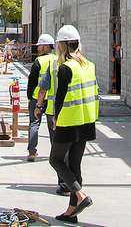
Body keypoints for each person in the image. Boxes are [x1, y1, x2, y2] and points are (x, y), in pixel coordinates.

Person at [48, 25, 98, 223]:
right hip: (86, 121)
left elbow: (60, 99)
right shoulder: (89, 65)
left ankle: (80, 195)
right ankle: (71, 211)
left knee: (56, 160)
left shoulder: (65, 68)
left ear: (61, 46)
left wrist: (55, 119)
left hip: (69, 122)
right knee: (74, 165)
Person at [26, 33, 58, 162]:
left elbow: (32, 81)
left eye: (40, 46)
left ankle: (32, 152)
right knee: (53, 126)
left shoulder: (38, 61)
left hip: (37, 97)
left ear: (45, 47)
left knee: (34, 123)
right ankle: (55, 153)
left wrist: (30, 97)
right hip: (52, 99)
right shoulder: (57, 59)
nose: (38, 48)